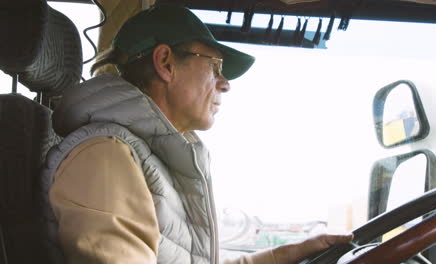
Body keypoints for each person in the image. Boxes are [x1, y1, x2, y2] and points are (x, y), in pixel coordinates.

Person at [45, 4, 352, 264]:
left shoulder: (148, 158)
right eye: (215, 66)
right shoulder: (105, 158)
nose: (225, 83)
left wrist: (289, 254)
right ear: (166, 63)